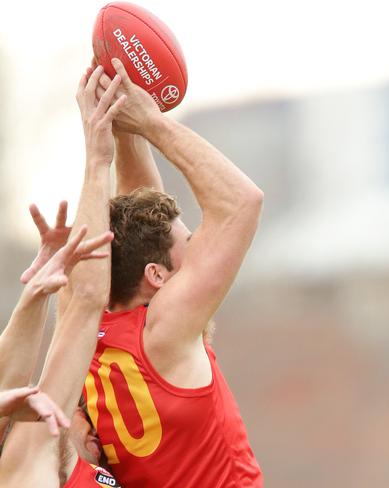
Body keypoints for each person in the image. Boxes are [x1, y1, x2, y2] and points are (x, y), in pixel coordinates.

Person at [68, 57, 264, 487]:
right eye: (191, 245)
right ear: (157, 276)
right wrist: (153, 123)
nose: (200, 253)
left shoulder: (87, 322)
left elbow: (137, 217)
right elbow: (241, 203)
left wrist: (120, 124)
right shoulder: (164, 331)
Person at [0, 65, 123, 487]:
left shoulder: (65, 456)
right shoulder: (28, 459)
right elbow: (86, 302)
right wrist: (97, 160)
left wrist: (36, 296)